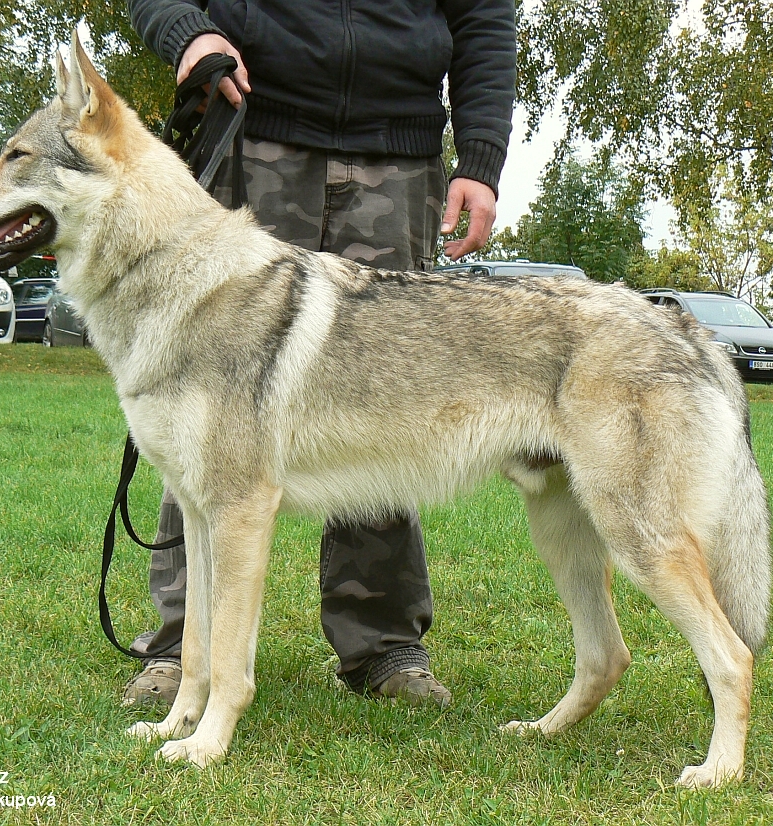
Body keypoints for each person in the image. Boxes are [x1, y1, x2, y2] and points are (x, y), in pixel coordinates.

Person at [123, 0, 516, 710]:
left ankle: (383, 643)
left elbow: (485, 17)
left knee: (386, 402)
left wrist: (482, 158)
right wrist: (190, 33)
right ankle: (185, 650)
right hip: (256, 134)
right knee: (209, 409)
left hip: (399, 158)